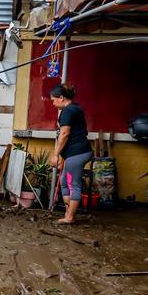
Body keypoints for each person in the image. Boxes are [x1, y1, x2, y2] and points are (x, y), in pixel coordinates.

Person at [49, 83, 93, 224]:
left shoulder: (68, 111)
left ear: (61, 98)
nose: (53, 104)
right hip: (76, 153)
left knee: (73, 184)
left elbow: (65, 133)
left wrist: (55, 154)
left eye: (53, 100)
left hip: (77, 153)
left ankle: (70, 217)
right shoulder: (75, 108)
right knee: (64, 183)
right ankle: (69, 213)